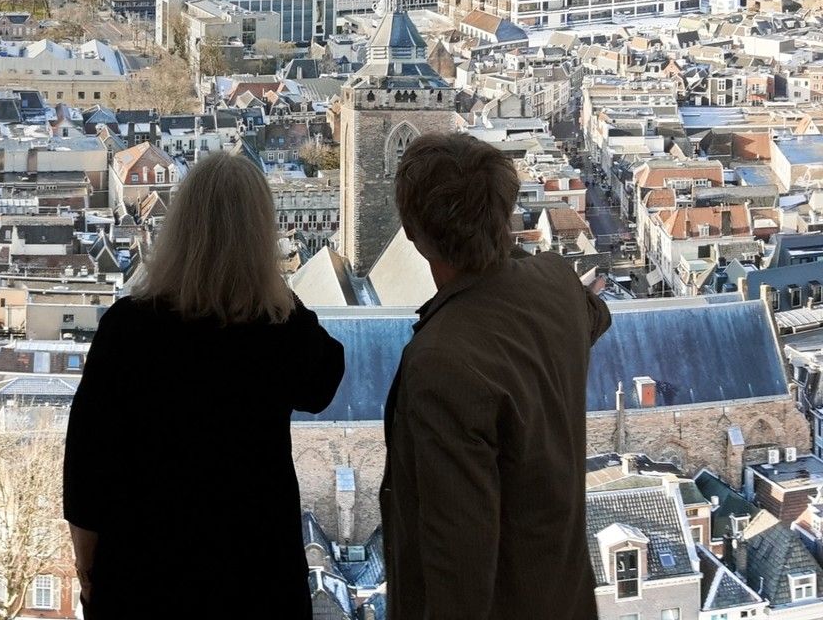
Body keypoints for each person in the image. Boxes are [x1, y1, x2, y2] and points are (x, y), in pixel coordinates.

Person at [64, 152, 345, 620]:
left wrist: (91, 573)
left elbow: (87, 470)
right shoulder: (274, 331)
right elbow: (324, 381)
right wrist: (272, 287)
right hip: (253, 575)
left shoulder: (128, 329)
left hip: (146, 573)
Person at [380, 132, 611, 619]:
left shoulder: (440, 361)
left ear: (411, 232)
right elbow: (596, 316)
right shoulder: (557, 286)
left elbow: (458, 561)